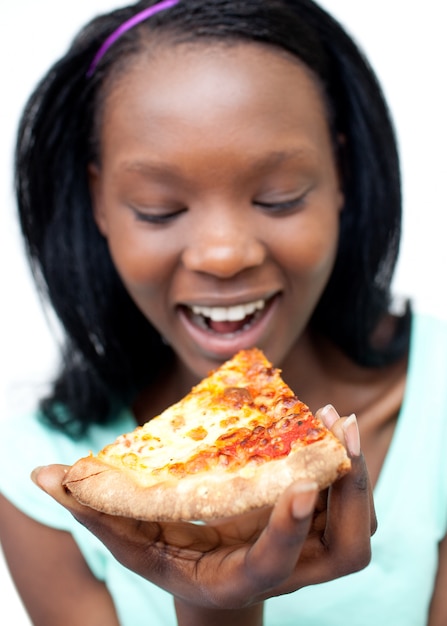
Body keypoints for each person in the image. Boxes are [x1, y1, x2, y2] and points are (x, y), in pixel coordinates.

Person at [0, 0, 446, 624]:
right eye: (159, 208)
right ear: (98, 200)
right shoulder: (46, 484)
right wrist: (210, 604)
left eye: (279, 197)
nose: (224, 254)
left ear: (342, 173)